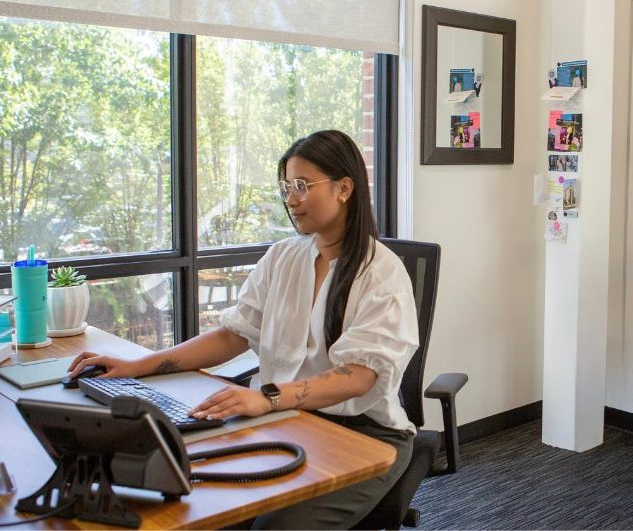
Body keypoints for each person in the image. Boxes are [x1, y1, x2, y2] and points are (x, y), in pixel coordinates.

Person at [68, 130, 419, 529]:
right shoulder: (284, 256)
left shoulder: (381, 272)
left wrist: (268, 398)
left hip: (365, 436)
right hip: (288, 420)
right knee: (199, 506)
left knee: (274, 528)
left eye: (303, 186)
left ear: (344, 188)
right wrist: (138, 365)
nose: (290, 200)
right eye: (286, 186)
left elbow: (359, 376)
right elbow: (232, 335)